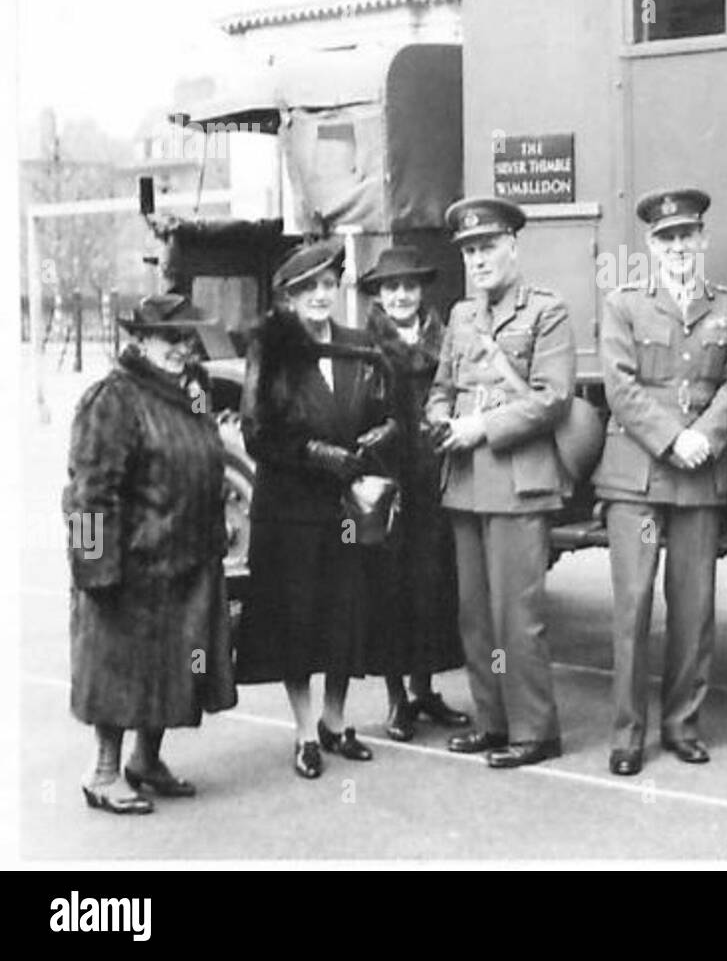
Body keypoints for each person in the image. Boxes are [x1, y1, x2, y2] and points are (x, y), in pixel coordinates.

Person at [593, 187, 727, 776]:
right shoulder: (625, 303)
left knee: (695, 608)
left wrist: (703, 438)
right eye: (666, 239)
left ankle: (683, 724)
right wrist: (673, 438)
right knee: (631, 608)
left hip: (700, 475)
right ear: (651, 248)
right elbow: (620, 387)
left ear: (703, 241)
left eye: (687, 236)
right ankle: (628, 733)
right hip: (638, 474)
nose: (678, 248)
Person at [64, 294, 237, 814]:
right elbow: (89, 493)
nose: (183, 348)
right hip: (131, 570)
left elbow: (209, 459)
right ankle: (104, 774)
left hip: (186, 564)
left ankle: (146, 761)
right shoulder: (113, 399)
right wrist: (93, 567)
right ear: (138, 341)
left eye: (188, 338)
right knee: (120, 671)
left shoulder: (192, 392)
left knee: (175, 669)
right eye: (170, 338)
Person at [237, 240, 398, 779]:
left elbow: (387, 411)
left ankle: (335, 720)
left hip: (347, 508)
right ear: (289, 297)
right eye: (308, 289)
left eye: (328, 285)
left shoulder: (357, 345)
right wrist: (326, 458)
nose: (320, 296)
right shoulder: (273, 351)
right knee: (297, 620)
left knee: (344, 614)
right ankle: (305, 732)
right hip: (290, 511)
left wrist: (374, 453)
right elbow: (259, 435)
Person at [425, 197, 576, 769]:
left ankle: (535, 729)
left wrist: (478, 427)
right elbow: (443, 383)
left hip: (516, 480)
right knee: (476, 614)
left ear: (513, 246)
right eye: (468, 250)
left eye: (487, 247)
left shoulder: (547, 309)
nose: (478, 259)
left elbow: (553, 398)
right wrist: (438, 415)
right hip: (464, 480)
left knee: (519, 615)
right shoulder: (463, 316)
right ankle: (493, 721)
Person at [359, 246, 469, 740]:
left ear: (421, 290)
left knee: (435, 588)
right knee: (389, 591)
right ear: (379, 295)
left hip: (439, 479)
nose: (401, 295)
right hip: (389, 484)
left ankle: (424, 691)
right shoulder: (362, 346)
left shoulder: (449, 339)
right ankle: (396, 699)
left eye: (409, 286)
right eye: (391, 287)